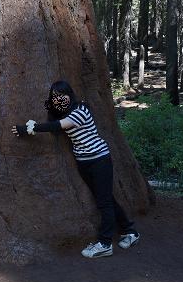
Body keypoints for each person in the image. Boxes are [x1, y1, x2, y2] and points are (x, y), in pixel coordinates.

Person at [11, 80, 140, 258]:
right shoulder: (62, 112)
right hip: (83, 162)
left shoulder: (81, 110)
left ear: (69, 94)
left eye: (62, 94)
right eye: (55, 96)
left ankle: (105, 243)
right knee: (106, 198)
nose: (58, 99)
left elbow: (58, 126)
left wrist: (28, 128)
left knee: (104, 202)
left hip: (99, 160)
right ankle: (130, 231)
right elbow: (56, 123)